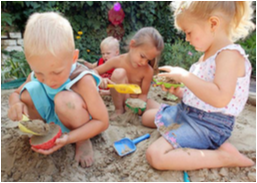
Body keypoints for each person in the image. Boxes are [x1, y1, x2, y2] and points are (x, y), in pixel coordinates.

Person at [142, 1, 255, 170]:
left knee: (156, 156)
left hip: (209, 125)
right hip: (188, 112)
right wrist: (179, 91)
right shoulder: (205, 56)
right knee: (146, 117)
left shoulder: (229, 55)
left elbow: (219, 98)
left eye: (189, 32)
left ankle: (224, 156)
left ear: (213, 23)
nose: (186, 38)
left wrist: (184, 75)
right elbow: (201, 94)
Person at [7, 12, 109, 168]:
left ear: (73, 58)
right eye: (40, 73)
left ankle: (82, 140)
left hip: (78, 123)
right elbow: (15, 94)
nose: (49, 80)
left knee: (64, 100)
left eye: (56, 72)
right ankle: (44, 133)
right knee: (28, 91)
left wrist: (70, 138)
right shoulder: (37, 74)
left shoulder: (82, 79)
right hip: (52, 119)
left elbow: (102, 121)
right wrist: (16, 104)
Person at [95, 27, 164, 119]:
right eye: (142, 56)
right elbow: (94, 71)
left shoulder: (148, 71)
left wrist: (138, 106)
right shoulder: (118, 61)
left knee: (159, 109)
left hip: (136, 102)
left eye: (148, 60)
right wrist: (100, 79)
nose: (144, 62)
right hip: (122, 99)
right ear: (132, 45)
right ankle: (119, 111)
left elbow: (143, 94)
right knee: (119, 73)